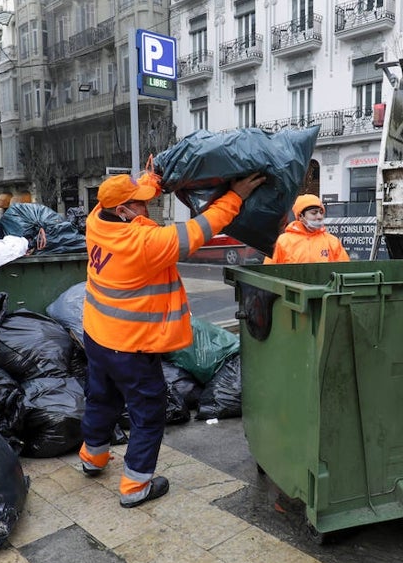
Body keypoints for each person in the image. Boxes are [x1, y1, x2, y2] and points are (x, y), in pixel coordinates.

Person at [78, 170, 266, 507]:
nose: (147, 208)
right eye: (141, 204)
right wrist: (235, 195)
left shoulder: (98, 220)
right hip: (130, 346)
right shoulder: (144, 244)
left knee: (102, 398)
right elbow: (200, 230)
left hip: (96, 334)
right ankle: (136, 486)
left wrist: (153, 178)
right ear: (124, 210)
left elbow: (131, 195)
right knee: (148, 411)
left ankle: (92, 458)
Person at [269, 194, 351, 264]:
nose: (319, 217)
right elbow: (269, 273)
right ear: (301, 216)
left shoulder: (332, 242)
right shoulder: (283, 241)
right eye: (314, 213)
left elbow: (344, 270)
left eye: (321, 212)